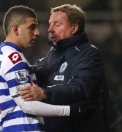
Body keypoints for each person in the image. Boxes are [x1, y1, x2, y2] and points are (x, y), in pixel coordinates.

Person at [20, 4, 109, 132]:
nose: (50, 29)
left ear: (74, 28)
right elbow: (32, 72)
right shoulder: (52, 54)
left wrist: (44, 93)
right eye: (50, 24)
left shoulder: (89, 54)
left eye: (57, 24)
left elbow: (79, 88)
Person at [0, 5, 76, 132]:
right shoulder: (14, 58)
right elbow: (28, 105)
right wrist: (69, 110)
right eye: (32, 27)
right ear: (16, 29)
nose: (37, 32)